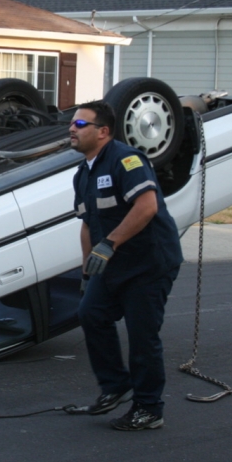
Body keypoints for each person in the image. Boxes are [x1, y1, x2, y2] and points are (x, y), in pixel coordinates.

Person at [65, 100, 183, 431]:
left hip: (148, 263)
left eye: (80, 125)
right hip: (112, 263)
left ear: (103, 132)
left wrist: (110, 243)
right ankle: (115, 386)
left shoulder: (126, 161)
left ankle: (149, 408)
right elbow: (88, 224)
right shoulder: (83, 174)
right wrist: (88, 270)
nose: (71, 129)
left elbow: (146, 206)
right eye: (72, 124)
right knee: (91, 313)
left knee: (142, 335)